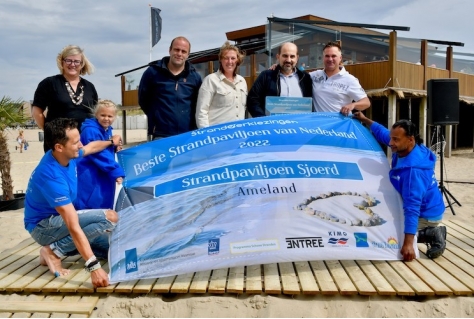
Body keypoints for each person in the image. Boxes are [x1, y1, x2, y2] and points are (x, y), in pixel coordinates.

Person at [24, 118, 122, 288]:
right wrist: (94, 267)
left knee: (114, 249)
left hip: (58, 222)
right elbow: (72, 225)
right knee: (109, 218)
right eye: (76, 142)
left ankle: (52, 249)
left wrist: (110, 142)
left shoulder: (66, 155)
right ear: (59, 147)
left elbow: (91, 147)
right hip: (44, 227)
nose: (81, 145)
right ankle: (53, 252)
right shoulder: (51, 175)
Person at [353, 111, 446, 261]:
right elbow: (383, 133)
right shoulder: (405, 146)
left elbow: (412, 208)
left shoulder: (413, 172)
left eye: (395, 140)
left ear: (410, 140)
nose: (390, 143)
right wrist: (365, 120)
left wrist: (408, 244)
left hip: (426, 214)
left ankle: (431, 234)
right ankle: (425, 232)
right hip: (423, 204)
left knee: (383, 231)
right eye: (391, 138)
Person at [32, 45, 98, 152]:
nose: (72, 64)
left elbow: (95, 116)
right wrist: (53, 133)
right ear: (62, 62)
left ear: (82, 64)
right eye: (68, 60)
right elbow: (37, 112)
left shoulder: (89, 87)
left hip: (86, 143)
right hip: (59, 143)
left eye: (76, 61)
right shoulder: (49, 83)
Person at [138, 36, 202, 139]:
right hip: (160, 136)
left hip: (188, 136)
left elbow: (198, 104)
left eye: (183, 51)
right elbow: (143, 100)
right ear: (170, 50)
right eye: (176, 49)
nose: (179, 54)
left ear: (188, 55)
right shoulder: (152, 72)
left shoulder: (194, 77)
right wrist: (156, 118)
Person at [76, 100, 125, 210]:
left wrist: (114, 146)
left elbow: (104, 146)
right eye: (103, 115)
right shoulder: (90, 130)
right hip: (90, 172)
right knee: (93, 202)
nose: (106, 118)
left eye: (110, 116)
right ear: (96, 114)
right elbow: (99, 153)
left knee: (103, 199)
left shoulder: (106, 129)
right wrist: (116, 171)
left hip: (102, 170)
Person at [247, 42, 313, 117]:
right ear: (278, 57)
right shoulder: (266, 76)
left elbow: (312, 102)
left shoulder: (305, 78)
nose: (288, 60)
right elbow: (252, 100)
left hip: (299, 125)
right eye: (285, 56)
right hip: (274, 126)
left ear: (297, 58)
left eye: (292, 56)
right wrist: (263, 120)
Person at [196, 41, 247, 128]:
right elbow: (202, 112)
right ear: (221, 60)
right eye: (226, 58)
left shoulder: (242, 81)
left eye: (233, 58)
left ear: (238, 60)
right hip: (217, 137)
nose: (229, 61)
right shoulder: (210, 80)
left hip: (238, 134)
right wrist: (206, 136)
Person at [310, 41, 370, 115]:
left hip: (340, 124)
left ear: (340, 58)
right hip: (320, 125)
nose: (330, 59)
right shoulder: (313, 75)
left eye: (333, 56)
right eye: (327, 56)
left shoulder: (350, 80)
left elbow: (366, 102)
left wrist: (353, 105)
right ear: (323, 58)